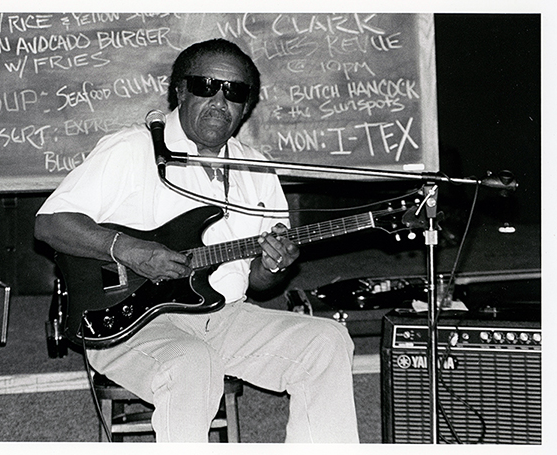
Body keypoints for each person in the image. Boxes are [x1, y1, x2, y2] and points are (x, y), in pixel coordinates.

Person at [35, 38, 359, 443]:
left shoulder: (256, 169)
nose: (221, 102)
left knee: (327, 341)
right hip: (128, 322)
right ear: (181, 91)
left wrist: (272, 265)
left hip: (223, 316)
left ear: (246, 106)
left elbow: (259, 283)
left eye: (235, 92)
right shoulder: (133, 149)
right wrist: (130, 250)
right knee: (192, 361)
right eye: (207, 86)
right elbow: (50, 224)